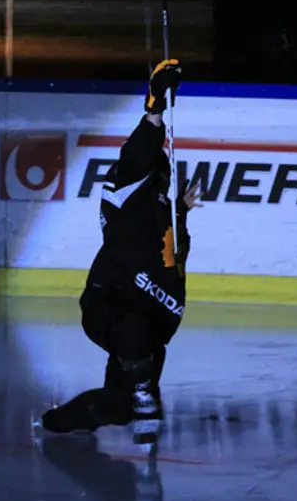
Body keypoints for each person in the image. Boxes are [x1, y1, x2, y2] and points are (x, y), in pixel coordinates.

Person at [39, 59, 201, 442]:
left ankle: (63, 419)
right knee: (134, 333)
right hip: (108, 306)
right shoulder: (126, 186)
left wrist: (180, 211)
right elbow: (141, 148)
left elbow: (164, 250)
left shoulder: (161, 207)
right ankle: (144, 393)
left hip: (147, 316)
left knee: (116, 406)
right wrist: (157, 101)